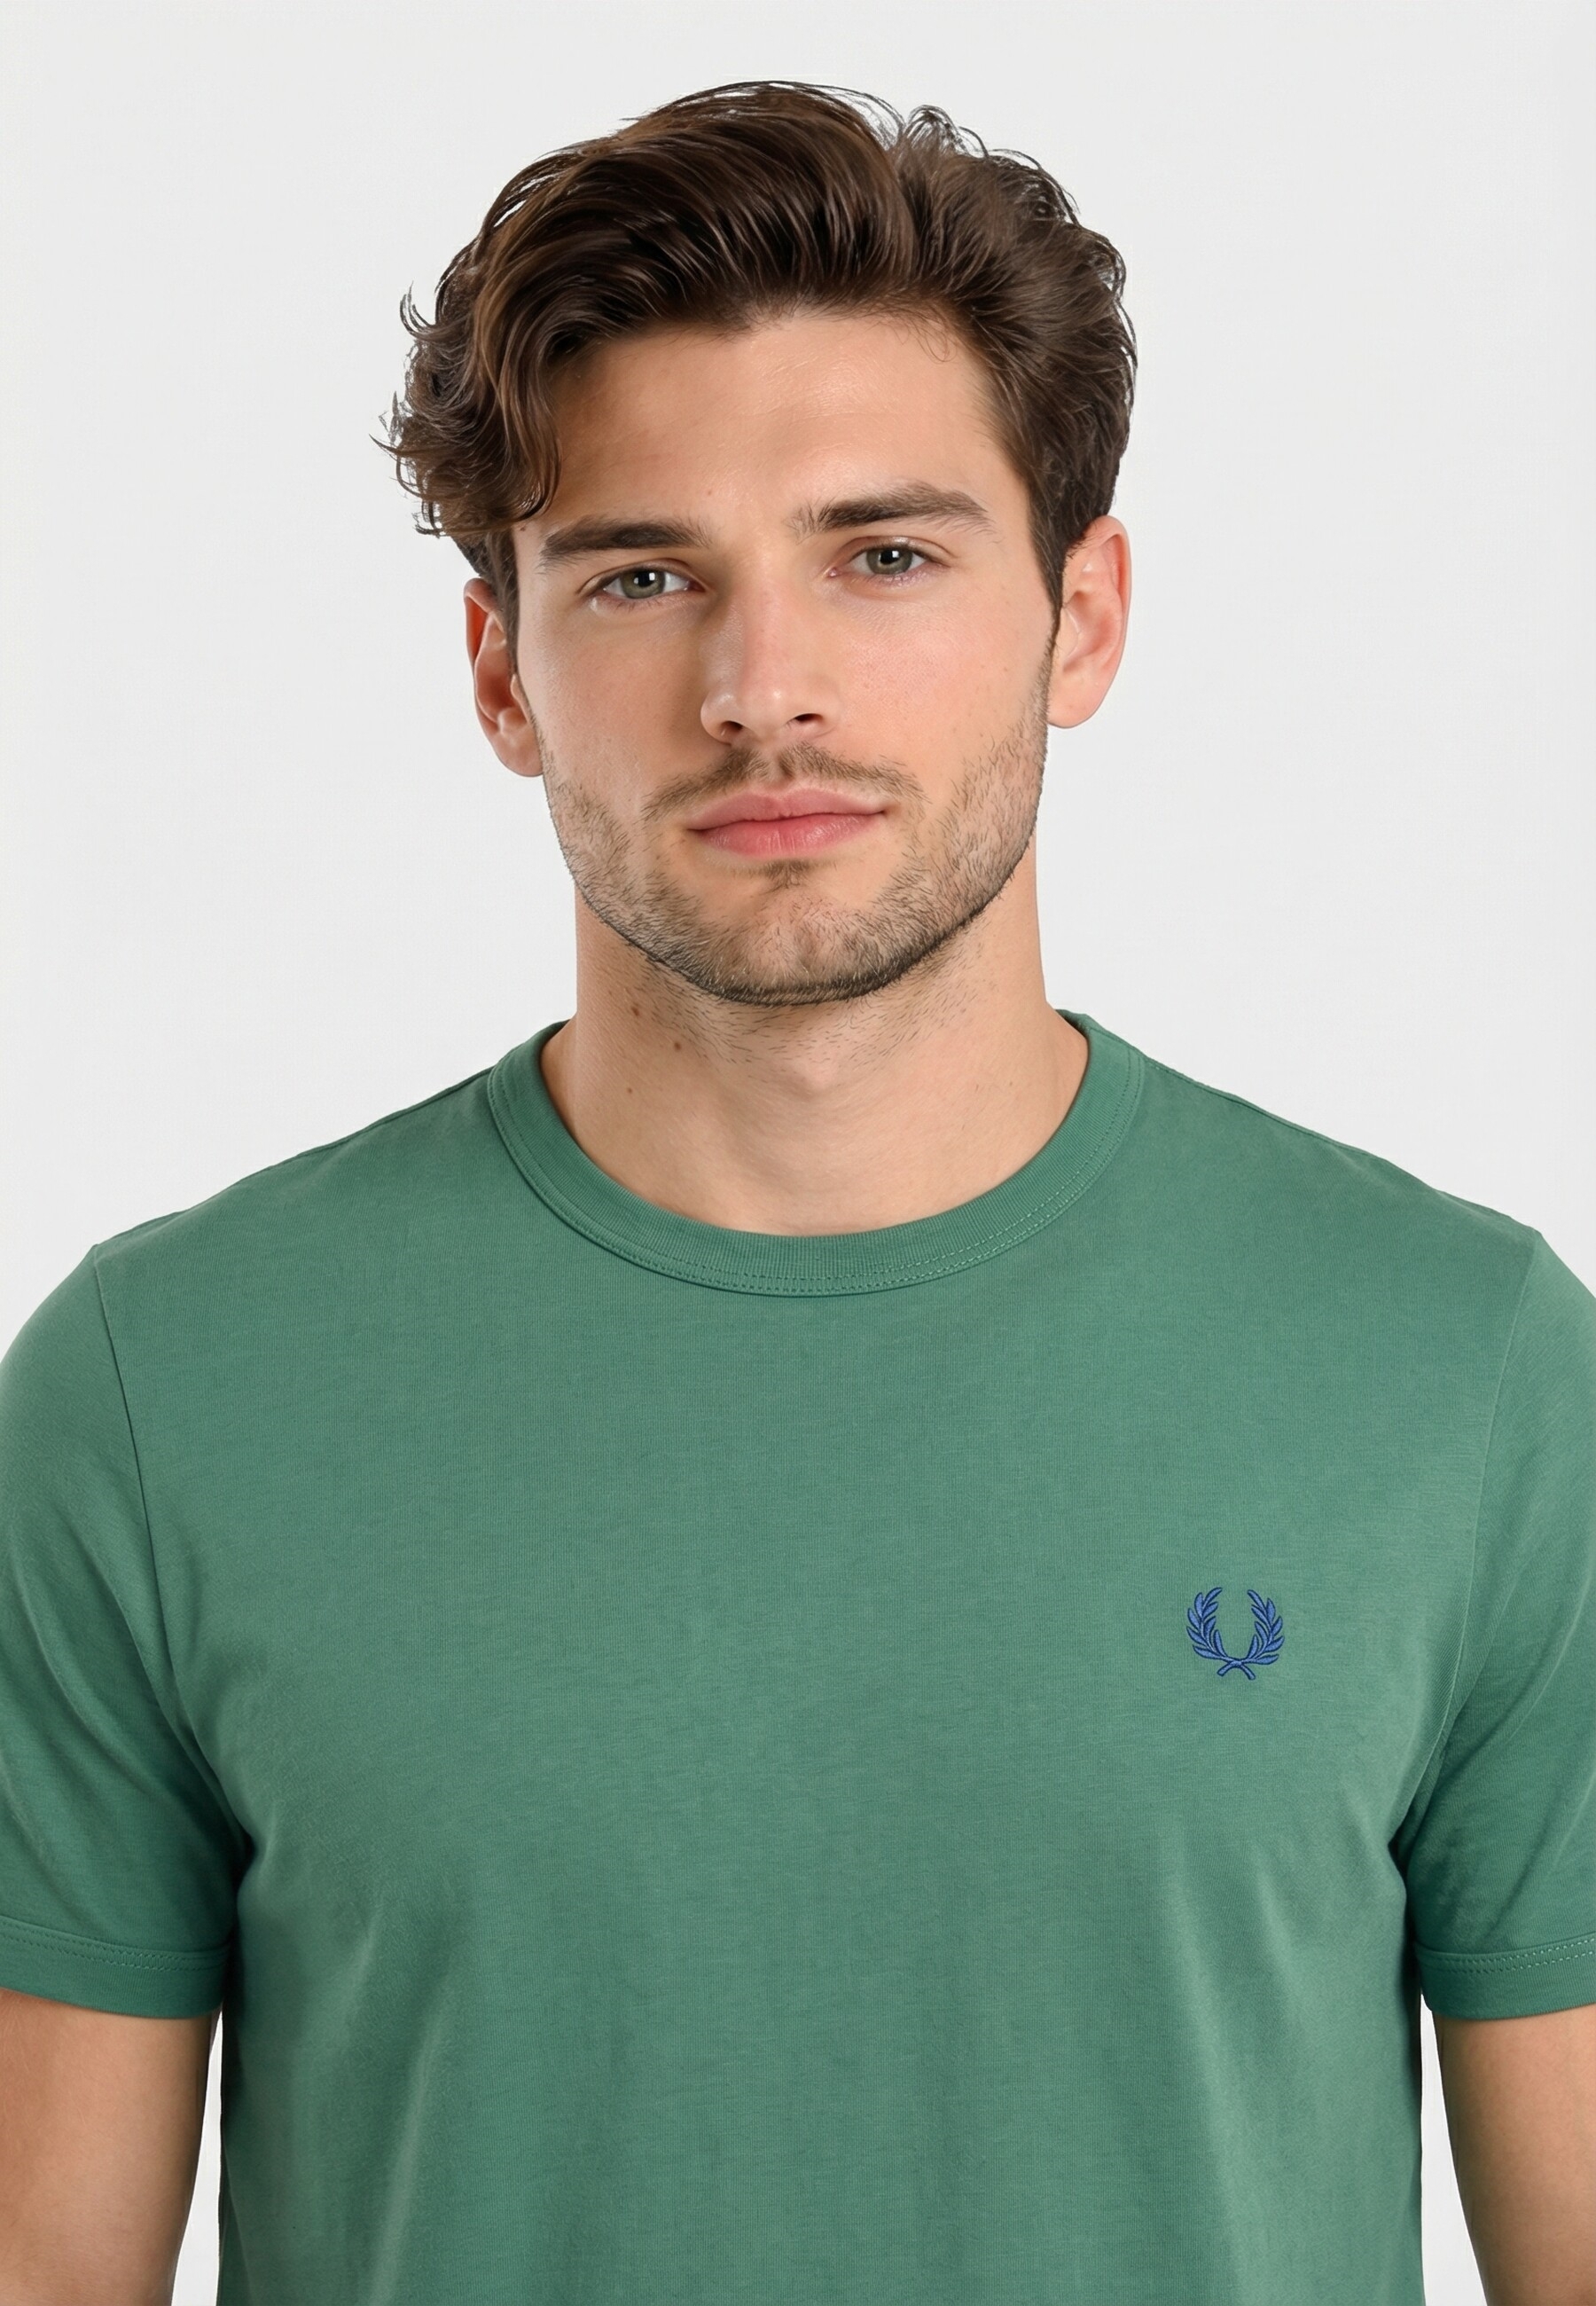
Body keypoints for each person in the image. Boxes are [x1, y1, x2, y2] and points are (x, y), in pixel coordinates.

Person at [0, 79, 1591, 2306]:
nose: (766, 691)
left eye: (886, 555)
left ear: (1083, 618)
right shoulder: (156, 1394)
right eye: (644, 575)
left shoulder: (1466, 1373)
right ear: (502, 670)